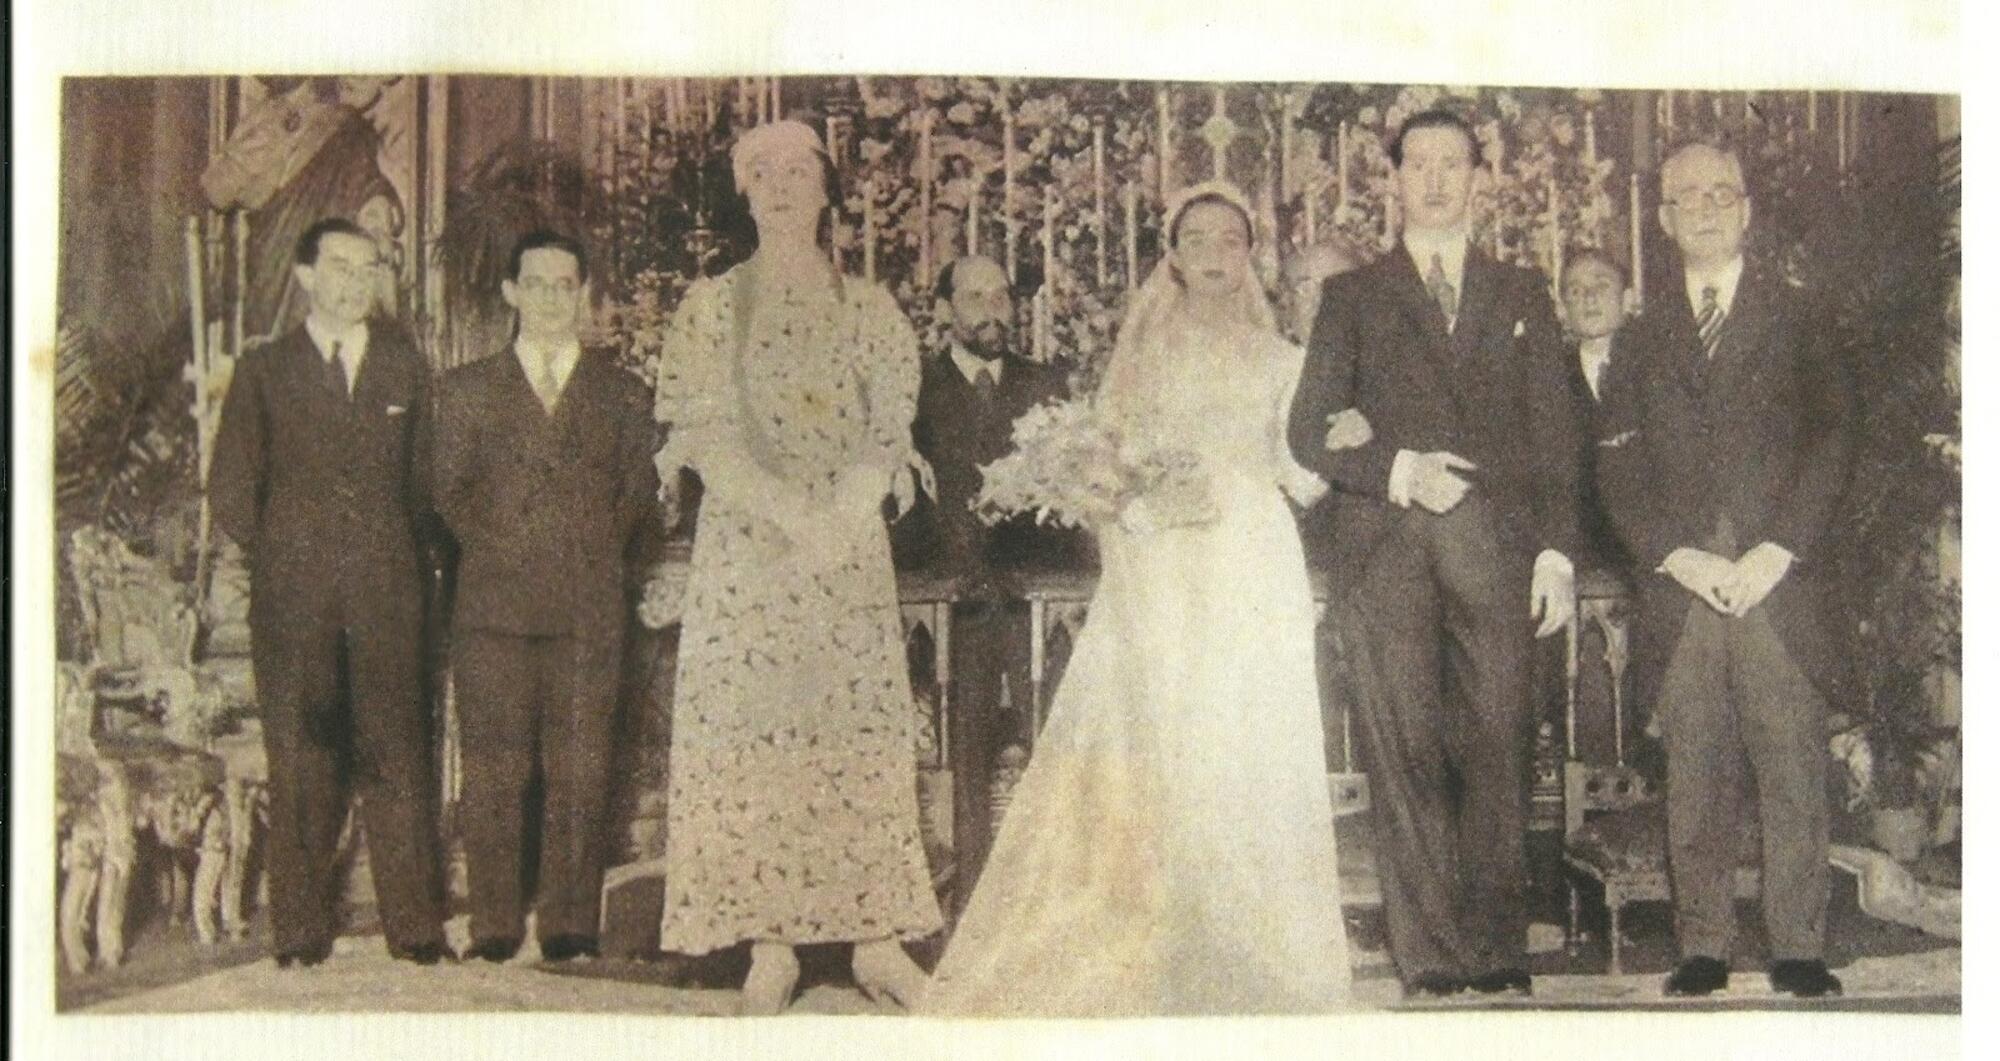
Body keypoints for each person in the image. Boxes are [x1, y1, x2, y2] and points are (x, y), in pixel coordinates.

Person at [921, 182, 1351, 1017]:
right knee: (1166, 740)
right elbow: (1103, 470)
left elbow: (1299, 475)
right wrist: (1136, 508)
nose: (1216, 255)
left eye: (1232, 239)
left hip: (1251, 561)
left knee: (1246, 743)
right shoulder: (1142, 358)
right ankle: (1157, 934)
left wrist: (1345, 439)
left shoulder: (1284, 361)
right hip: (1161, 566)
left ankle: (1256, 951)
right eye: (1198, 239)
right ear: (1175, 256)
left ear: (1249, 255)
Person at [1286, 109, 1584, 999]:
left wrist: (1558, 554)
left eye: (1455, 164)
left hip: (1496, 552)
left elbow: (1558, 434)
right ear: (1395, 181)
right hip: (1385, 554)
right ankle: (1429, 958)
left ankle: (1498, 951)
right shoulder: (1354, 296)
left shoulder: (1523, 291)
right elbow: (1309, 430)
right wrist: (1398, 467)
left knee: (1496, 742)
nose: (1437, 180)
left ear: (1480, 182)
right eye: (1419, 164)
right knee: (1403, 749)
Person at [651, 120, 941, 1014]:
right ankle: (769, 943)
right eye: (762, 173)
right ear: (744, 192)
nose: (780, 186)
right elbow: (700, 426)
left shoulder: (869, 306)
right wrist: (785, 514)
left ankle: (875, 938)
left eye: (798, 171)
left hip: (847, 549)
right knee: (756, 736)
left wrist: (843, 511)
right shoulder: (710, 306)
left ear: (826, 190)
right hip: (750, 548)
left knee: (853, 732)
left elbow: (890, 419)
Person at [1595, 143, 1853, 999]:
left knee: (1790, 764)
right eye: (1685, 199)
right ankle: (1702, 943)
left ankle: (1799, 945)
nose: (1704, 210)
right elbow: (1617, 468)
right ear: (1663, 221)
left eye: (1720, 195)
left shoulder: (1804, 318)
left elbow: (1835, 438)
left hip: (1779, 583)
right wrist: (1680, 555)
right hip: (1688, 587)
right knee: (1696, 765)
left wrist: (1780, 548)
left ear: (1745, 211)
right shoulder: (1639, 338)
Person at [207, 217, 448, 968]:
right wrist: (290, 555)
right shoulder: (265, 371)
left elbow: (425, 488)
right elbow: (231, 491)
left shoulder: (406, 368)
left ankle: (414, 927)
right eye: (339, 266)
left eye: (368, 267)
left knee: (397, 755)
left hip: (388, 598)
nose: (354, 280)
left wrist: (403, 566)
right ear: (306, 275)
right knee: (303, 759)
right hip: (295, 602)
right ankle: (301, 932)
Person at [429, 231, 662, 963]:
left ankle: (569, 923)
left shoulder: (622, 393)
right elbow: (445, 492)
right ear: (510, 293)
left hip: (587, 608)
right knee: (496, 768)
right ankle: (494, 923)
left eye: (566, 285)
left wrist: (587, 552)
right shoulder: (465, 390)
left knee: (581, 766)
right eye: (537, 284)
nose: (553, 300)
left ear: (583, 294)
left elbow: (637, 493)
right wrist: (507, 547)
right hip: (494, 609)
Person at [895, 253, 1086, 914]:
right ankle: (969, 908)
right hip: (954, 605)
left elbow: (1081, 495)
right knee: (966, 762)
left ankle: (1060, 903)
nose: (991, 309)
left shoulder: (1049, 384)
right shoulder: (913, 389)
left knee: (1060, 749)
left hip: (1039, 602)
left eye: (1001, 295)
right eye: (974, 296)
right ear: (944, 309)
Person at [1559, 248, 1634, 571]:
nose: (1589, 298)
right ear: (1563, 309)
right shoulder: (1550, 377)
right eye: (1575, 291)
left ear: (1627, 299)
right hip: (1581, 547)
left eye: (1601, 287)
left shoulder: (1657, 366)